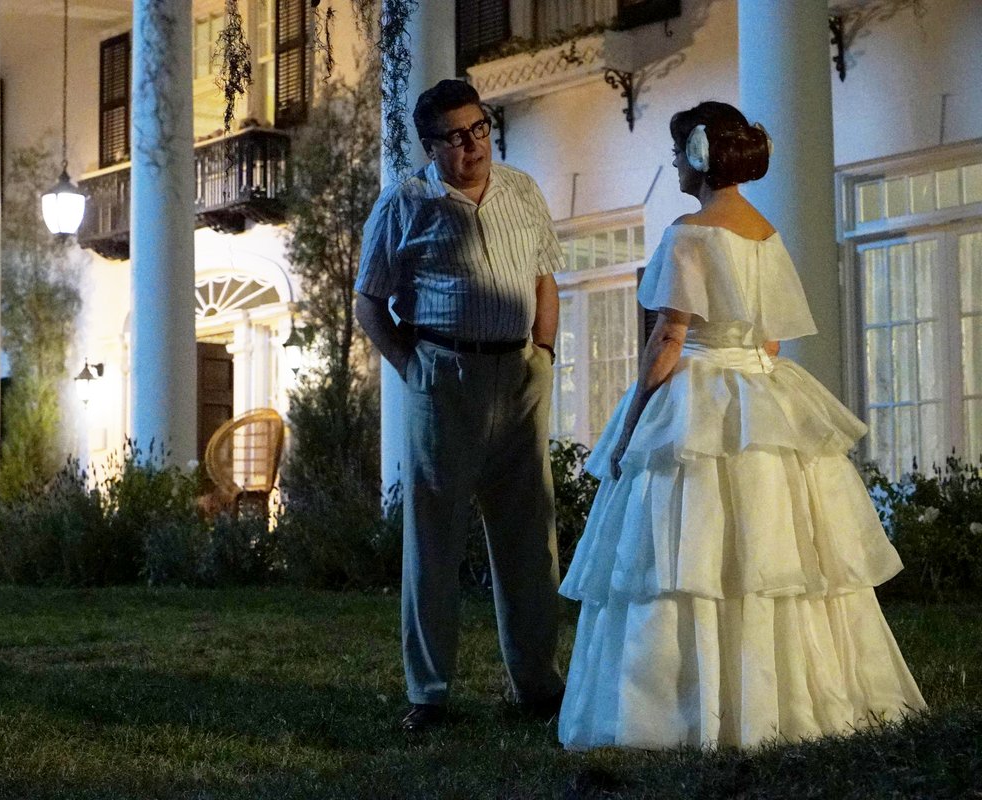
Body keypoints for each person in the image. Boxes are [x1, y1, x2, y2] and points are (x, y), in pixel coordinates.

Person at [557, 101, 926, 750]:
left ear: (700, 157)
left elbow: (669, 337)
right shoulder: (765, 233)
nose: (675, 163)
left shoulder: (689, 234)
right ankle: (790, 699)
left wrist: (632, 421)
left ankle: (676, 709)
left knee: (687, 551)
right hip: (761, 392)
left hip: (698, 390)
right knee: (773, 552)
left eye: (678, 152)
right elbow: (773, 340)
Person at [354, 79, 566, 734]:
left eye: (479, 129)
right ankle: (430, 692)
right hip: (444, 378)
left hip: (519, 376)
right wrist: (412, 366)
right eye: (455, 136)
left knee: (531, 539)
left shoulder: (523, 191)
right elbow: (369, 301)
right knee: (434, 541)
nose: (472, 146)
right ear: (431, 146)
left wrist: (544, 352)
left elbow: (544, 277)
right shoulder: (405, 203)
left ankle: (538, 683)